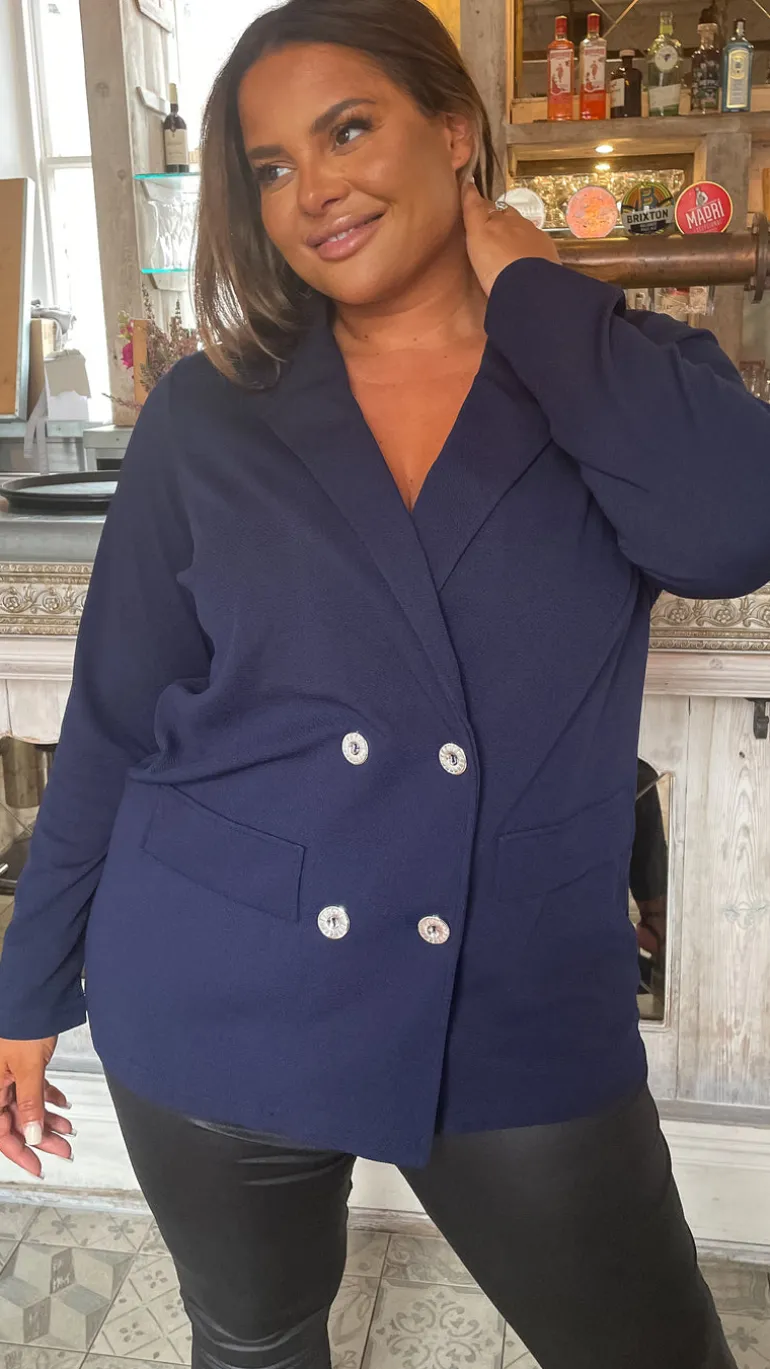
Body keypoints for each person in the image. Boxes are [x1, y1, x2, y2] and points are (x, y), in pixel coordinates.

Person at [1, 1, 769, 1364]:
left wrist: (536, 293)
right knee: (254, 1343)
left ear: (454, 131)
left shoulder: (607, 372)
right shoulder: (211, 410)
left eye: (348, 130)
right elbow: (116, 720)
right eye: (273, 166)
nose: (314, 188)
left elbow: (731, 531)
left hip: (512, 1000)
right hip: (218, 982)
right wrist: (23, 995)